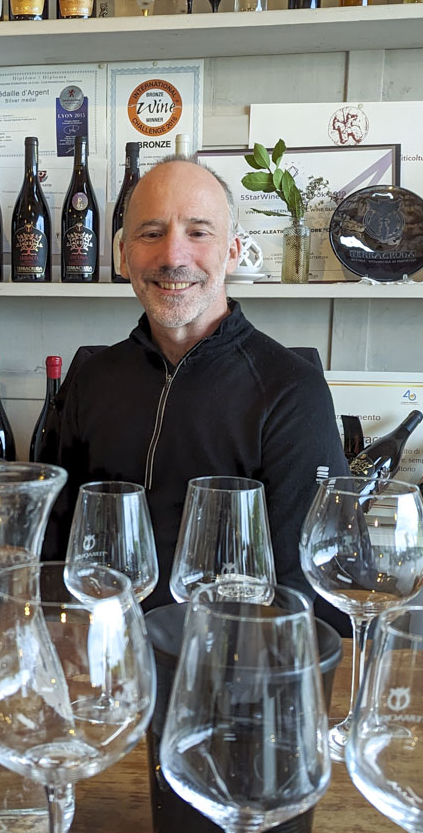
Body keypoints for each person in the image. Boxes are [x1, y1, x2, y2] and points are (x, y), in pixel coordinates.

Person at [47, 158, 350, 633]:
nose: (173, 256)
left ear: (231, 252)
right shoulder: (91, 379)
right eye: (151, 233)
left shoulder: (292, 390)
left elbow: (309, 588)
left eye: (198, 232)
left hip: (234, 669)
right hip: (106, 664)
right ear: (123, 254)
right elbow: (58, 547)